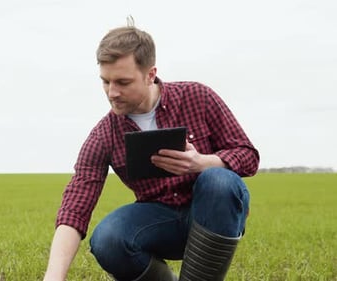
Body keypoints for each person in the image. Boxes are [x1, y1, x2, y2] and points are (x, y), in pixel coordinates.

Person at [43, 24, 259, 281]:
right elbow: (75, 205)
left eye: (123, 82)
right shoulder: (105, 134)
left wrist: (201, 162)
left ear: (150, 74)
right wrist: (53, 277)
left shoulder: (197, 97)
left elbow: (248, 156)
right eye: (106, 81)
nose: (112, 92)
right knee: (108, 238)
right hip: (159, 222)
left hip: (213, 215)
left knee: (219, 181)